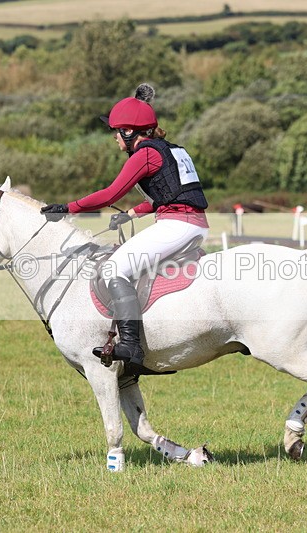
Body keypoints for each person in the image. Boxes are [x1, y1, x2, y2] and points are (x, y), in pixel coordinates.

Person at [40, 84, 209, 375]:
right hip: (191, 224)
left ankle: (131, 345)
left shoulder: (145, 154)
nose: (114, 137)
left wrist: (68, 207)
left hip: (177, 225)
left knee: (114, 268)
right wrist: (131, 214)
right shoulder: (173, 150)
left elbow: (110, 194)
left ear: (130, 131)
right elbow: (165, 196)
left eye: (116, 131)